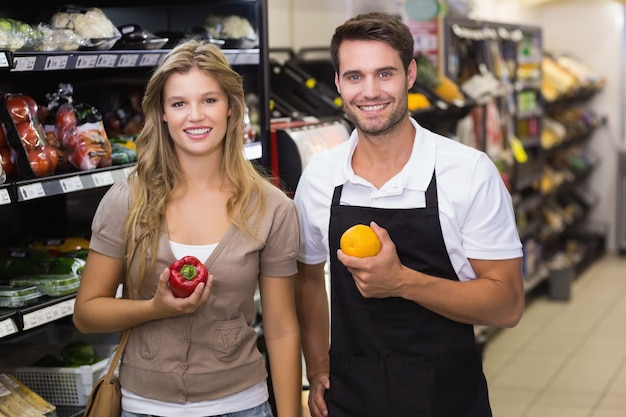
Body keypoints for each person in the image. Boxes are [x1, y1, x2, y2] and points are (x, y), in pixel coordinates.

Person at [294, 12, 524, 417]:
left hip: (447, 398)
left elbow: (506, 305)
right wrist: (317, 368)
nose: (369, 91)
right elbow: (309, 278)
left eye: (385, 74)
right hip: (350, 396)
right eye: (354, 76)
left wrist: (400, 281)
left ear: (410, 74)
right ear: (338, 83)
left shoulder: (467, 172)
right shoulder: (320, 177)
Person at [73, 39, 302, 417]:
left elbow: (280, 329)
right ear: (162, 113)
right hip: (144, 407)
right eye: (179, 103)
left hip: (241, 406)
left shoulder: (271, 206)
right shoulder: (127, 200)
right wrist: (154, 308)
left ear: (231, 107)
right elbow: (86, 313)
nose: (195, 116)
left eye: (209, 100)